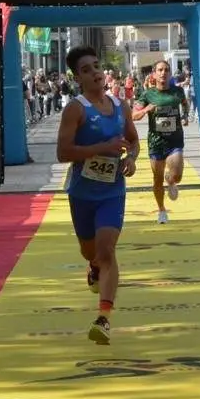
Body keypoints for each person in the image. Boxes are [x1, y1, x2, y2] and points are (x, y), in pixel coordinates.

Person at [56, 45, 140, 345]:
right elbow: (63, 153)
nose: (95, 73)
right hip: (81, 193)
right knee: (90, 253)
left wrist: (131, 158)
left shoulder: (120, 106)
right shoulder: (75, 109)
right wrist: (99, 149)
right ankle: (92, 267)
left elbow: (132, 140)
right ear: (78, 78)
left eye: (96, 66)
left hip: (112, 192)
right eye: (86, 70)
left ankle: (103, 319)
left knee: (107, 250)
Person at [133, 59, 190, 224]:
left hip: (175, 141)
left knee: (177, 175)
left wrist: (185, 116)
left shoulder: (177, 92)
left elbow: (185, 104)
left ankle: (171, 180)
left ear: (170, 73)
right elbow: (132, 116)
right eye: (159, 70)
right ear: (154, 74)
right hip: (156, 142)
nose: (163, 73)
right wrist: (145, 110)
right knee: (157, 180)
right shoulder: (147, 94)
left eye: (166, 70)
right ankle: (162, 211)